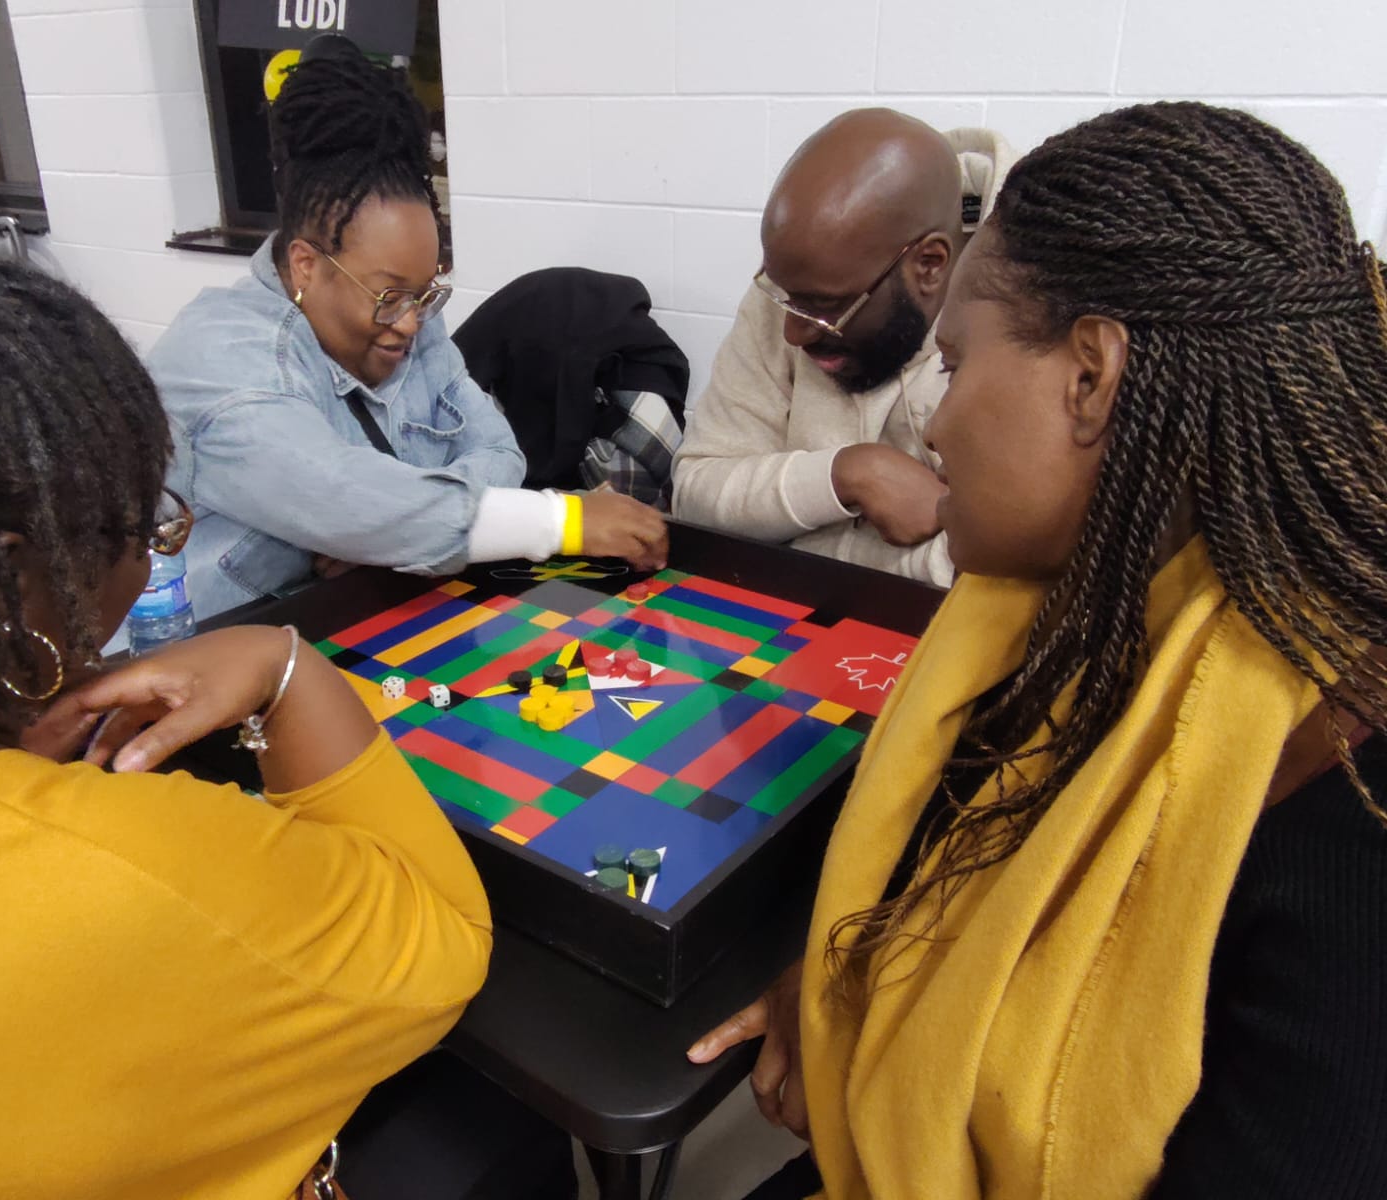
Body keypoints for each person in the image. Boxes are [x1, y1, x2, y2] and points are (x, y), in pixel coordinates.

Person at [688, 102, 1387, 1199]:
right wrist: (837, 987)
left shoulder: (1345, 820)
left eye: (956, 366)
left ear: (1092, 377)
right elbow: (938, 887)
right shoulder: (1048, 626)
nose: (932, 423)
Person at [0, 250, 493, 1197]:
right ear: (13, 580)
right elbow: (442, 940)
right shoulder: (132, 871)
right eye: (144, 523)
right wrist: (284, 666)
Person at [150, 36, 667, 620]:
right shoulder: (224, 364)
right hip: (192, 653)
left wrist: (393, 528)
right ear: (306, 265)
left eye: (425, 295)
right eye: (390, 295)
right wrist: (560, 521)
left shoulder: (409, 321)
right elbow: (341, 499)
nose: (412, 322)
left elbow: (499, 450)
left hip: (347, 619)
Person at [671, 110, 1016, 587]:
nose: (794, 333)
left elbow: (996, 570)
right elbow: (696, 494)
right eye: (785, 298)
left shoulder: (1030, 316)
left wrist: (792, 540)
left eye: (825, 307)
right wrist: (847, 474)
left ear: (930, 265)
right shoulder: (801, 283)